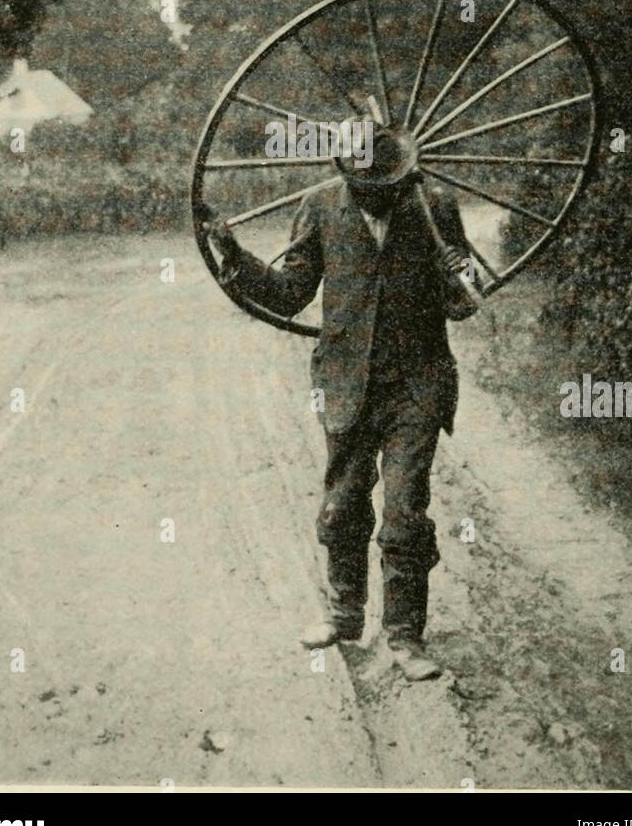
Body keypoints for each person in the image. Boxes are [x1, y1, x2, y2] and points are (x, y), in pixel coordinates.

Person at [204, 121, 480, 680]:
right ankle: (343, 613)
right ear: (345, 176)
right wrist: (232, 252)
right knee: (344, 503)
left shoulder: (434, 205)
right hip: (347, 380)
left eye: (385, 185)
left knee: (405, 510)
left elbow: (462, 305)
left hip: (416, 382)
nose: (374, 195)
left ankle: (404, 636)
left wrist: (459, 276)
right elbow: (289, 292)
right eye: (363, 186)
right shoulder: (322, 206)